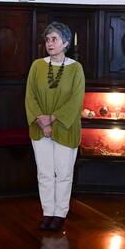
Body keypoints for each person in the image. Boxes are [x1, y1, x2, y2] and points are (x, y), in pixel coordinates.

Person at [25, 22, 86, 232]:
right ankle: (47, 212)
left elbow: (76, 100)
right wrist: (41, 120)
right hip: (39, 127)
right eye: (47, 39)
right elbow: (30, 96)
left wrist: (52, 118)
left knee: (64, 173)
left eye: (55, 39)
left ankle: (60, 213)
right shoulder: (37, 66)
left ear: (65, 43)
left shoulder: (76, 68)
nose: (50, 43)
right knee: (44, 173)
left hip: (65, 128)